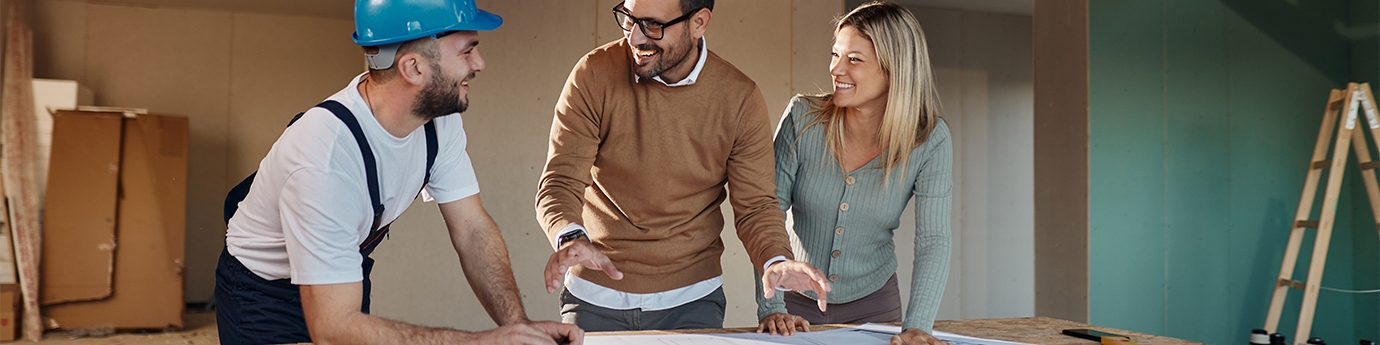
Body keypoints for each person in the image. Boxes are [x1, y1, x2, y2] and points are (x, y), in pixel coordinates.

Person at [214, 0, 581, 344]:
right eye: (467, 50)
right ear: (414, 68)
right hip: (263, 294)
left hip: (341, 275)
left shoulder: (438, 122)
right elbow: (332, 326)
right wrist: (479, 341)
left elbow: (471, 229)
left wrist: (518, 328)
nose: (480, 63)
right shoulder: (324, 159)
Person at [536, 0, 834, 332]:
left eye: (652, 25)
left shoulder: (739, 98)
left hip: (692, 302)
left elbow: (756, 206)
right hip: (593, 297)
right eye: (629, 19)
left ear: (699, 23)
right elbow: (560, 181)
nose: (634, 38)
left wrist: (775, 259)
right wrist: (571, 236)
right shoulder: (594, 73)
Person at [754, 2, 953, 345]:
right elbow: (766, 207)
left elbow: (934, 240)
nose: (836, 69)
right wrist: (771, 305)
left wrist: (918, 324)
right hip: (794, 309)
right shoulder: (803, 119)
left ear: (895, 69)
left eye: (854, 59)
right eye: (835, 54)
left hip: (876, 307)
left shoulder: (929, 139)